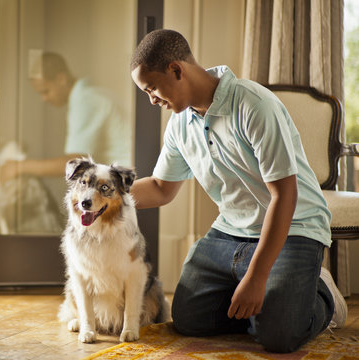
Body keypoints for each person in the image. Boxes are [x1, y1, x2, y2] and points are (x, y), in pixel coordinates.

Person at [129, 29, 348, 353]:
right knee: (189, 319)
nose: (152, 100)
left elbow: (284, 195)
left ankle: (320, 292)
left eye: (152, 89)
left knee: (278, 336)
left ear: (176, 70)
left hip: (295, 226)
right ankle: (277, 294)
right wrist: (104, 196)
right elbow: (161, 189)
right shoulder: (179, 125)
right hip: (231, 231)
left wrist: (258, 278)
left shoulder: (253, 105)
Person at [0, 52, 131, 182]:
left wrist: (19, 166)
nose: (43, 99)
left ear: (61, 79)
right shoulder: (91, 94)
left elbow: (76, 163)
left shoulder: (84, 100)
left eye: (45, 91)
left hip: (125, 181)